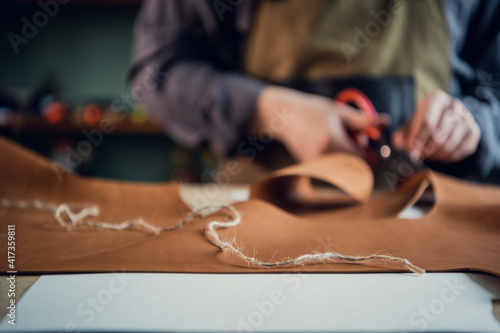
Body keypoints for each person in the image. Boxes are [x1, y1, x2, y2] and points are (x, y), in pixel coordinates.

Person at [128, 0, 500, 184]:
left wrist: (476, 123)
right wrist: (269, 110)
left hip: (431, 222)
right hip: (263, 217)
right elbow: (157, 71)